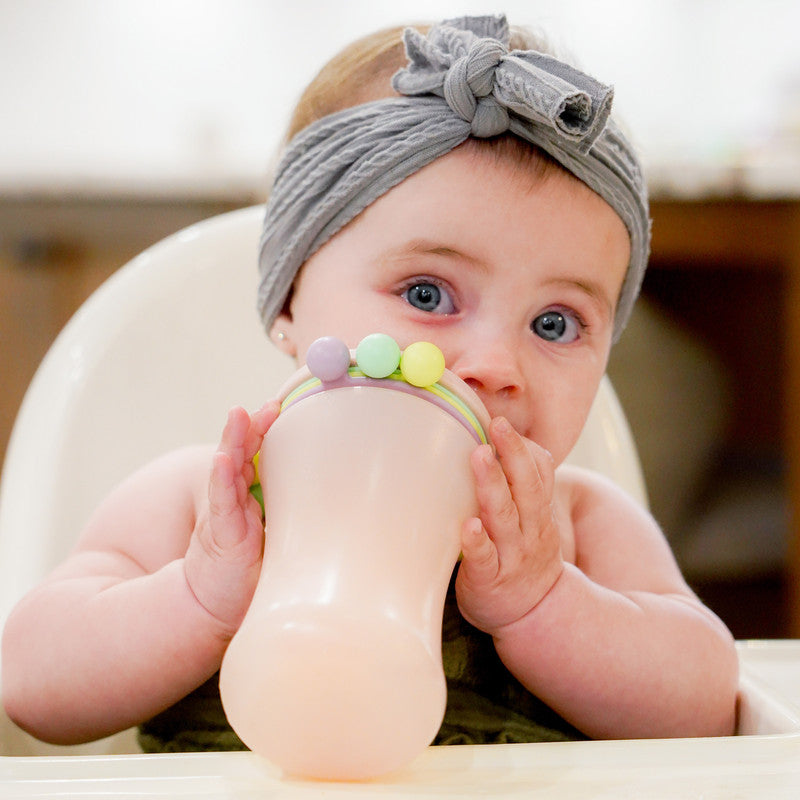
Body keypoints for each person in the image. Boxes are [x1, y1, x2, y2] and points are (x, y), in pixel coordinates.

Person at [1, 15, 738, 750]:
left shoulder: (581, 529)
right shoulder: (198, 503)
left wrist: (546, 603)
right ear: (290, 302)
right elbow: (32, 689)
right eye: (426, 295)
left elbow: (708, 705)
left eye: (554, 324)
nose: (495, 366)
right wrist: (195, 600)